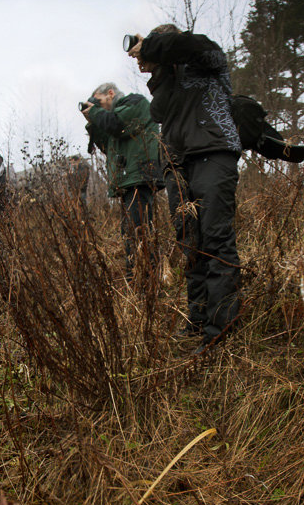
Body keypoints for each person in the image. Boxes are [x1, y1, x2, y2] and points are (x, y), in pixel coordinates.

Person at [130, 24, 242, 354]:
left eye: (153, 46)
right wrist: (160, 71)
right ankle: (198, 318)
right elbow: (160, 111)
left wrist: (149, 47)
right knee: (189, 240)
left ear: (165, 42)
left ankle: (220, 333)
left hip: (213, 152)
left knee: (216, 239)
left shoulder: (207, 58)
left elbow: (191, 45)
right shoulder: (170, 76)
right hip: (177, 163)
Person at [83, 82, 164, 279]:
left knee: (138, 230)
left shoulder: (135, 102)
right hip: (128, 180)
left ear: (110, 93)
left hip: (139, 176)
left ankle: (144, 280)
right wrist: (92, 121)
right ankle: (140, 278)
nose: (98, 107)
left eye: (99, 101)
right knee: (131, 231)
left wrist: (95, 114)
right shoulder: (114, 117)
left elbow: (116, 125)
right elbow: (106, 144)